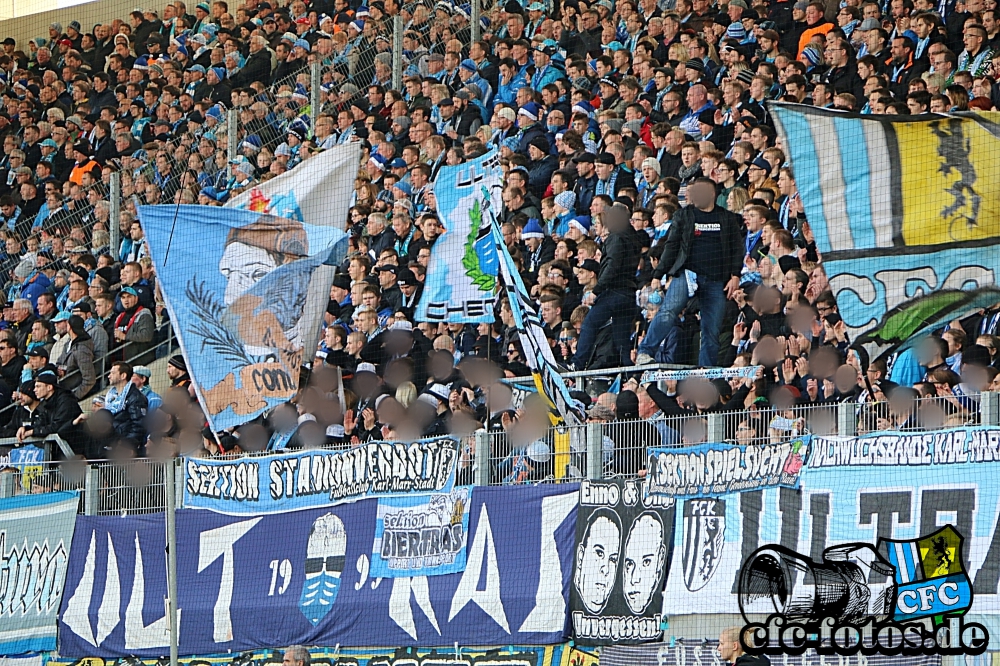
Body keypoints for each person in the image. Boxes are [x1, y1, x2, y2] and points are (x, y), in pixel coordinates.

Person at [638, 178, 743, 366]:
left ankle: (706, 369)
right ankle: (645, 352)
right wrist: (658, 274)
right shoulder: (684, 215)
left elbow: (737, 249)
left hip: (716, 280)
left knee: (711, 328)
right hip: (687, 274)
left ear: (712, 194)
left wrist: (735, 276)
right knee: (669, 310)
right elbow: (672, 246)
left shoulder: (727, 218)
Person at [571, 204, 640, 369]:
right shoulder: (634, 238)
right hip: (628, 294)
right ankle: (630, 375)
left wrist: (596, 291)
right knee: (621, 338)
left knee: (590, 324)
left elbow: (612, 266)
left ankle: (577, 365)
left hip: (614, 292)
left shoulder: (616, 238)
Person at [104, 362, 149, 445]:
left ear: (123, 376)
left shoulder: (136, 397)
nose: (109, 376)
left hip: (124, 447)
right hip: (111, 443)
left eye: (113, 373)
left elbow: (139, 425)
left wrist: (127, 444)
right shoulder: (110, 397)